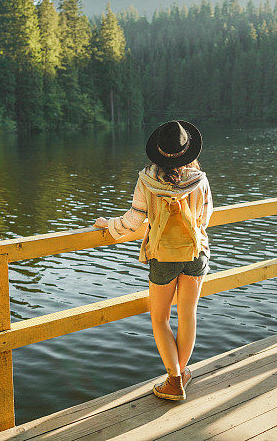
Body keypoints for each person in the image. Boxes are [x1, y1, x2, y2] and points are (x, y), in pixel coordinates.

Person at [93, 120, 213, 401]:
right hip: (196, 253)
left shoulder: (147, 180)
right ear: (188, 151)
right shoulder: (200, 180)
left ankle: (174, 380)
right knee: (187, 317)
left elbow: (133, 221)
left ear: (159, 152)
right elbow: (205, 220)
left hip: (164, 257)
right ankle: (181, 375)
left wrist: (107, 225)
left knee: (160, 319)